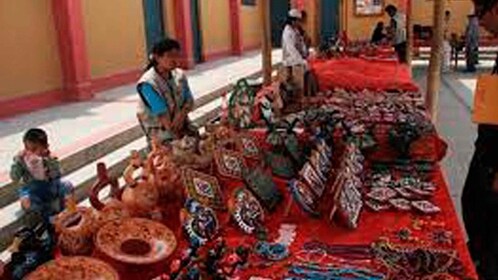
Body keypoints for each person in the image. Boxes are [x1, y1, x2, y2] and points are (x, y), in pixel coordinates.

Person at [462, 0, 498, 278]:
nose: (479, 20)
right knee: (474, 202)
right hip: (487, 147)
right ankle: (480, 255)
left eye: (481, 12)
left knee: (489, 218)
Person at [136, 38, 197, 147]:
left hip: (182, 124)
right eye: (170, 56)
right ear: (157, 57)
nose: (175, 60)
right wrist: (180, 137)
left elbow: (189, 101)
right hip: (161, 131)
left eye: (177, 55)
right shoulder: (148, 84)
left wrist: (181, 114)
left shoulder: (180, 75)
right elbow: (163, 117)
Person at [10, 128, 74, 223]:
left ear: (45, 147)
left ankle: (68, 212)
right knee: (26, 201)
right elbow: (14, 177)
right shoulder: (21, 159)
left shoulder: (50, 158)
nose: (30, 152)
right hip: (31, 190)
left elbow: (58, 174)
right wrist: (17, 164)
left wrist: (49, 162)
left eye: (35, 149)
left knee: (67, 184)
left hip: (49, 187)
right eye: (27, 148)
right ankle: (48, 217)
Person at [281, 9, 309, 100]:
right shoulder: (288, 32)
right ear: (293, 21)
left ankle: (305, 92)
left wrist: (305, 52)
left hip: (297, 57)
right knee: (304, 68)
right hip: (290, 59)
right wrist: (301, 60)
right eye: (298, 21)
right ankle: (299, 95)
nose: (299, 23)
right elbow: (291, 49)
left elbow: (301, 43)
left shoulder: (295, 30)